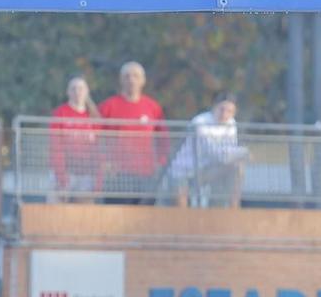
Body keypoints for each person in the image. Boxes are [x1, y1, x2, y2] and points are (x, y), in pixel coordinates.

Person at [98, 60, 168, 201]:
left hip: (145, 173)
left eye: (136, 76)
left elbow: (163, 138)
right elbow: (95, 136)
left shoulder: (153, 107)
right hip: (117, 174)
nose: (131, 80)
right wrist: (103, 161)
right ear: (121, 80)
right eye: (127, 76)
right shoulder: (108, 106)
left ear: (143, 81)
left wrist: (161, 162)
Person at [167, 93, 248, 208]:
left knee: (237, 167)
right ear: (214, 107)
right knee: (181, 209)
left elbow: (230, 150)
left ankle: (230, 210)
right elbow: (213, 152)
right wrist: (244, 152)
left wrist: (239, 154)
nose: (225, 114)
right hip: (183, 172)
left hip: (206, 170)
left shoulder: (231, 123)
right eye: (222, 109)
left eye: (229, 111)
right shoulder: (199, 122)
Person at [49, 73, 102, 193]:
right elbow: (55, 146)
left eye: (81, 88)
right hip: (66, 173)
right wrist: (61, 176)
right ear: (68, 92)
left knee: (84, 210)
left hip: (86, 175)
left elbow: (98, 150)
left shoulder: (94, 116)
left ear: (87, 91)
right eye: (73, 88)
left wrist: (98, 179)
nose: (77, 92)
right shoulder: (60, 113)